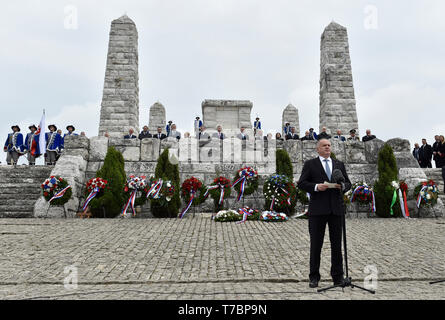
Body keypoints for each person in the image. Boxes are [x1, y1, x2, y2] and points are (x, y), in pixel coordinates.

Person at [297, 139, 351, 288]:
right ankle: (314, 277)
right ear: (318, 149)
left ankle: (338, 277)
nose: (327, 147)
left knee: (336, 244)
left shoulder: (339, 164)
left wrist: (343, 186)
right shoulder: (310, 164)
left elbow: (348, 183)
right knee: (316, 245)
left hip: (336, 210)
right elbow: (301, 183)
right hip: (317, 211)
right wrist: (315, 187)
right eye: (324, 146)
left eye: (329, 145)